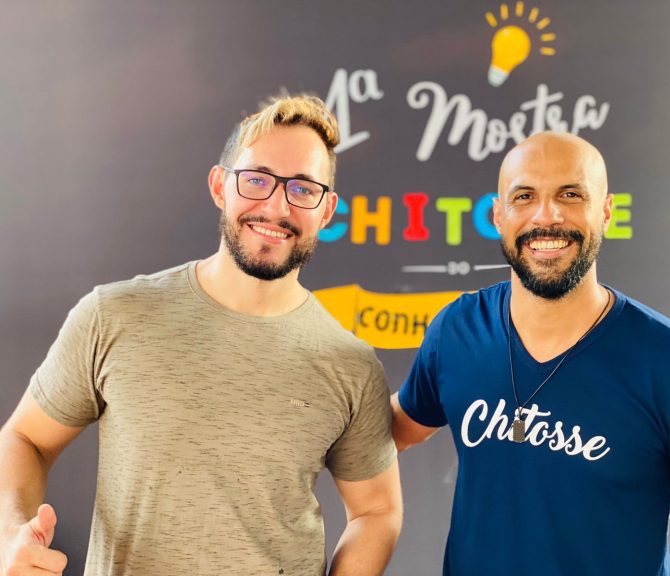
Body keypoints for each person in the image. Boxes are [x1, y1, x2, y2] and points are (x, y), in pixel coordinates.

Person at [0, 94, 402, 576]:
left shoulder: (350, 364)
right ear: (219, 186)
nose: (276, 206)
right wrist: (10, 533)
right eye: (257, 180)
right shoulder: (114, 315)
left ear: (327, 209)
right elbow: (25, 438)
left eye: (302, 188)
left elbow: (377, 510)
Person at [391, 132, 670, 575]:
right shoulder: (458, 329)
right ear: (499, 216)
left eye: (570, 194)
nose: (547, 216)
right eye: (524, 196)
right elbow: (393, 429)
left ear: (605, 211)